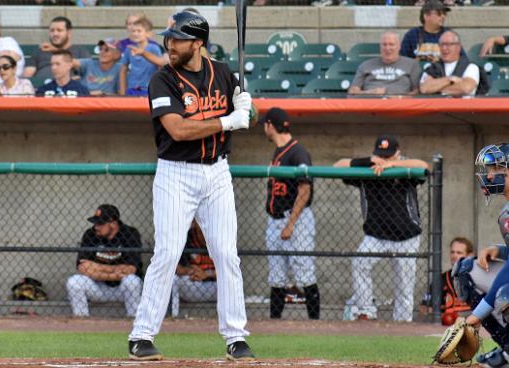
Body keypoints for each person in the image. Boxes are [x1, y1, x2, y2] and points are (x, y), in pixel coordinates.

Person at [128, 11, 255, 362]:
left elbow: (247, 117)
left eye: (178, 39)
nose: (170, 44)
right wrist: (228, 120)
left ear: (198, 43)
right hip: (175, 174)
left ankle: (236, 337)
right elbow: (179, 130)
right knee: (167, 252)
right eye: (169, 38)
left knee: (227, 254)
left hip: (217, 173)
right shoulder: (162, 79)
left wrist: (247, 107)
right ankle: (141, 336)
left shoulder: (224, 74)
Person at [334, 135, 429, 322]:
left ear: (398, 153)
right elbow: (338, 166)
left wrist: (393, 165)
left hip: (406, 236)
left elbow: (424, 165)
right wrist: (367, 161)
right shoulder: (367, 166)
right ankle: (366, 311)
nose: (384, 159)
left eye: (388, 155)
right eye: (381, 155)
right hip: (375, 235)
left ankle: (402, 325)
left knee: (404, 286)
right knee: (360, 263)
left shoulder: (405, 166)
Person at [261, 107, 320, 320]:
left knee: (304, 272)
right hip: (275, 219)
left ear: (270, 126)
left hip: (295, 219)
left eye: (265, 125)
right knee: (276, 276)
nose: (264, 129)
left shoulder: (298, 152)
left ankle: (315, 325)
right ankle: (274, 325)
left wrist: (291, 224)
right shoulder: (279, 151)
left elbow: (305, 190)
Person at [461, 143, 509, 368]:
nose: (490, 176)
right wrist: (499, 250)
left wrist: (477, 315)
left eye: (497, 170)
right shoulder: (505, 212)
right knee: (466, 270)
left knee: (505, 294)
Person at [66, 204, 143, 318]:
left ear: (113, 223)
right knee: (74, 282)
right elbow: (82, 268)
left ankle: (134, 320)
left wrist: (96, 267)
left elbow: (131, 269)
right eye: (95, 223)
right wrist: (116, 271)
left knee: (132, 281)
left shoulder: (130, 233)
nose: (96, 227)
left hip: (122, 288)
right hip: (97, 287)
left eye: (100, 223)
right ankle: (81, 321)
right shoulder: (90, 234)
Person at [420, 237, 474, 325]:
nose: (454, 256)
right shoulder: (441, 279)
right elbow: (424, 308)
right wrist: (445, 316)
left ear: (469, 256)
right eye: (452, 252)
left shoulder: (478, 278)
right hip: (447, 326)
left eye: (459, 253)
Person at [348, 32, 421, 96]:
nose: (387, 48)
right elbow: (352, 92)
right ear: (380, 47)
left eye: (391, 44)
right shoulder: (365, 65)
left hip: (400, 106)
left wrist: (400, 98)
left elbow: (417, 91)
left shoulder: (411, 64)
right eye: (384, 45)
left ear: (399, 47)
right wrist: (370, 93)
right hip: (371, 105)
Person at [170, 219, 217, 318]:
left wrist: (206, 274)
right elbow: (176, 268)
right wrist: (190, 271)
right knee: (173, 279)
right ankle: (173, 317)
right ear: (194, 223)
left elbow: (229, 270)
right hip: (192, 284)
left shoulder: (222, 236)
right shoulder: (186, 237)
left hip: (215, 287)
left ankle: (225, 319)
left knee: (229, 281)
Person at [22, 16, 90, 79]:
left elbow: (88, 70)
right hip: (41, 88)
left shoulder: (80, 51)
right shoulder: (41, 51)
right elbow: (28, 74)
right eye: (52, 31)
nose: (55, 34)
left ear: (69, 33)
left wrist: (56, 50)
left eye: (59, 30)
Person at [419, 31, 481, 97]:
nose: (444, 48)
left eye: (448, 44)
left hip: (462, 106)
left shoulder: (471, 67)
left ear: (458, 47)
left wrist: (436, 88)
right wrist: (450, 79)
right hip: (437, 106)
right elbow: (424, 88)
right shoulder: (432, 68)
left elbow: (466, 88)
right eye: (442, 44)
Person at [118, 17, 164, 96]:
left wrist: (159, 89)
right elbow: (123, 70)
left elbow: (160, 67)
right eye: (133, 31)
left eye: (139, 31)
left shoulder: (154, 48)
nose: (135, 34)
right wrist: (122, 92)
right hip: (132, 89)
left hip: (149, 90)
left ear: (148, 33)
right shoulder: (129, 49)